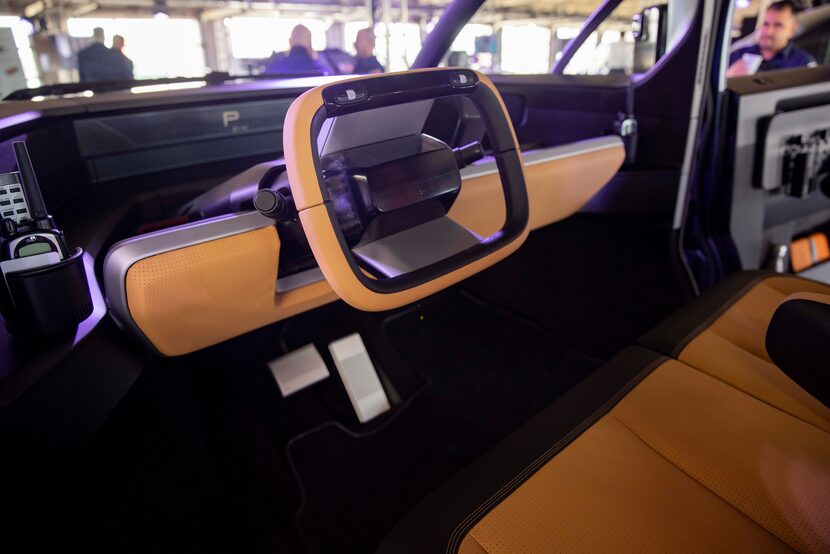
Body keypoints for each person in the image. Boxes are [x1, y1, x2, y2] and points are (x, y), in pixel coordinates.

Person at [727, 0, 817, 77]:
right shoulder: (738, 55)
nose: (769, 31)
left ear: (792, 30)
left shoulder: (802, 63)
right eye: (766, 24)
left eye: (778, 26)